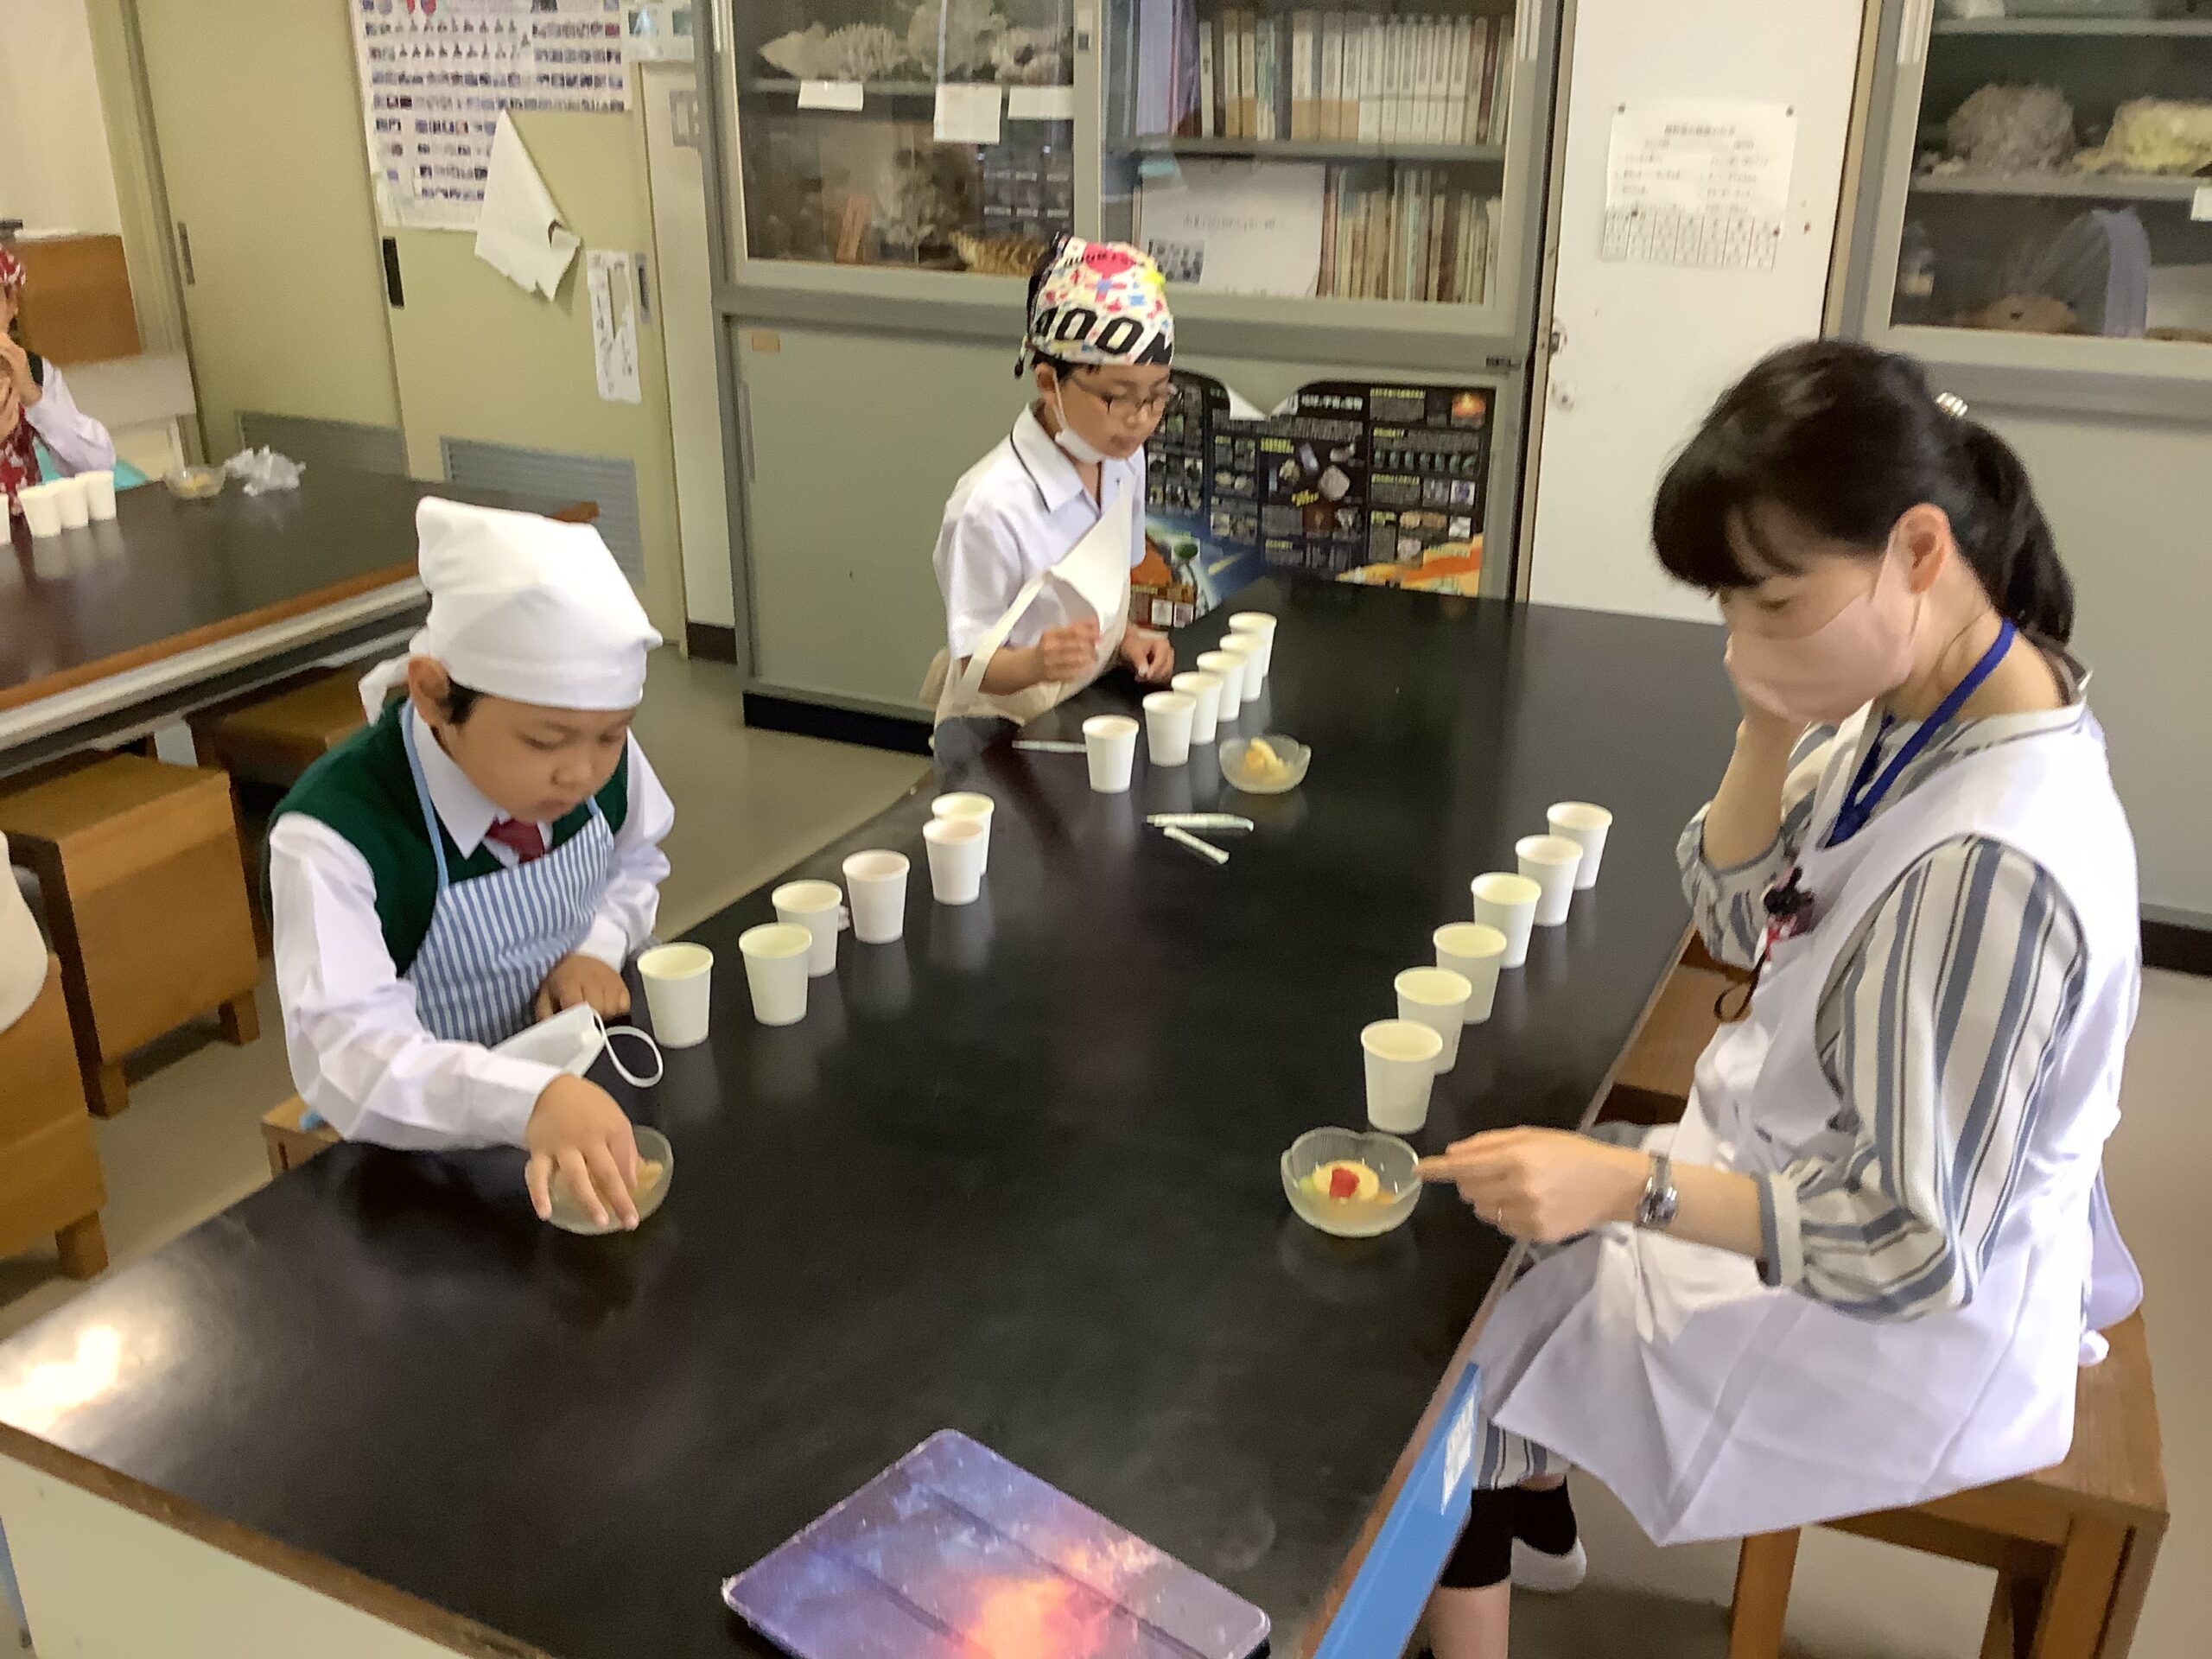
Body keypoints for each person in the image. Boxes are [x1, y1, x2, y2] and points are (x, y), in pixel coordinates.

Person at [1414, 340, 2143, 1659]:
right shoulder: (1939, 693)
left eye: (1774, 605)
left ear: (1919, 548)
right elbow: (1740, 913)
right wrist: (1767, 728)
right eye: (1729, 609)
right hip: (1798, 1168)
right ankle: (1539, 1516)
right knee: (1506, 1207)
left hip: (1888, 1321)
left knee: (1443, 1368)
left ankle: (1492, 1507)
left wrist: (1631, 1188)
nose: (1743, 644)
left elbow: (1910, 1247)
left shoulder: (1991, 866)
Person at [267, 497, 674, 1230]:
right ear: (433, 695)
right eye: (545, 742)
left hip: (580, 1087)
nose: (581, 772)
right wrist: (528, 1100)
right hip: (423, 1155)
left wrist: (598, 945)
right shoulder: (337, 832)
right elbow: (351, 1055)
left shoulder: (587, 751)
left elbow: (638, 858)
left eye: (612, 735)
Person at [924, 234, 1178, 768]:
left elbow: (1106, 588)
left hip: (1084, 702)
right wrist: (1038, 662)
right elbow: (972, 666)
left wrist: (1127, 640)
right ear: (1048, 382)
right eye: (1118, 397)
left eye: (1157, 396)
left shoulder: (1125, 461)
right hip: (1000, 721)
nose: (1141, 419)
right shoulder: (990, 507)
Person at [0, 243, 118, 518]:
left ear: (12, 303)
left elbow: (97, 466)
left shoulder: (34, 371)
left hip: (32, 530)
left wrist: (34, 398)